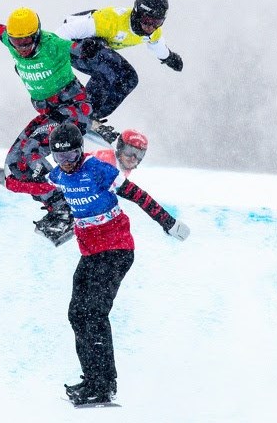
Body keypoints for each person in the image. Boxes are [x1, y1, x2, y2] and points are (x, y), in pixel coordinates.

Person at [38, 123, 189, 406]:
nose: (66, 164)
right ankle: (91, 379)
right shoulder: (58, 175)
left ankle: (104, 385)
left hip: (117, 250)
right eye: (60, 158)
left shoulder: (98, 170)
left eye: (71, 156)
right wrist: (9, 178)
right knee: (76, 314)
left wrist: (168, 222)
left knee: (93, 314)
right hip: (91, 252)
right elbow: (35, 184)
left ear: (80, 151)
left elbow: (138, 195)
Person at [0, 7, 96, 245]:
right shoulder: (10, 40)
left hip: (72, 109)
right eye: (17, 43)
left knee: (32, 151)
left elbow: (74, 48)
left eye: (27, 41)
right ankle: (50, 199)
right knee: (15, 163)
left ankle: (67, 206)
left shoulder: (52, 44)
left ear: (36, 35)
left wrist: (86, 48)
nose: (22, 48)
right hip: (49, 113)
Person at [54, 0, 183, 121]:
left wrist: (169, 58)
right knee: (109, 68)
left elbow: (157, 46)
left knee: (129, 78)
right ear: (137, 13)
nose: (150, 27)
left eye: (157, 23)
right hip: (74, 44)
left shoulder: (153, 33)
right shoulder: (110, 20)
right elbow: (61, 33)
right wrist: (73, 50)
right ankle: (83, 113)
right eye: (147, 21)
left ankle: (94, 116)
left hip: (97, 50)